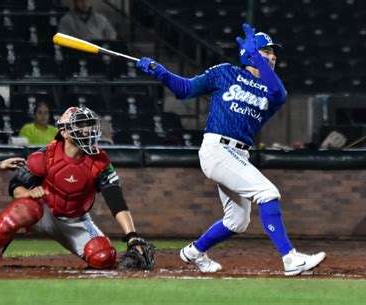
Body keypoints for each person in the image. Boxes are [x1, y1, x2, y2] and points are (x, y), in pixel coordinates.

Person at [136, 23, 326, 276]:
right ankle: (290, 259)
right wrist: (160, 72)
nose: (272, 56)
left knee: (238, 222)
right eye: (265, 51)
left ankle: (193, 252)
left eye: (273, 53)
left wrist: (256, 56)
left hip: (239, 153)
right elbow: (185, 89)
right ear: (247, 54)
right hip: (217, 149)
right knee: (267, 192)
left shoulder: (274, 90)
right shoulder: (225, 72)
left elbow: (277, 90)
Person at [0, 107, 155, 269]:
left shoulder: (100, 162)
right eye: (80, 125)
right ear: (64, 132)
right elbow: (15, 185)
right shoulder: (46, 155)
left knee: (103, 257)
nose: (87, 129)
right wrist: (28, 193)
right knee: (21, 210)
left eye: (89, 124)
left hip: (75, 220)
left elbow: (116, 200)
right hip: (43, 210)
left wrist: (132, 235)